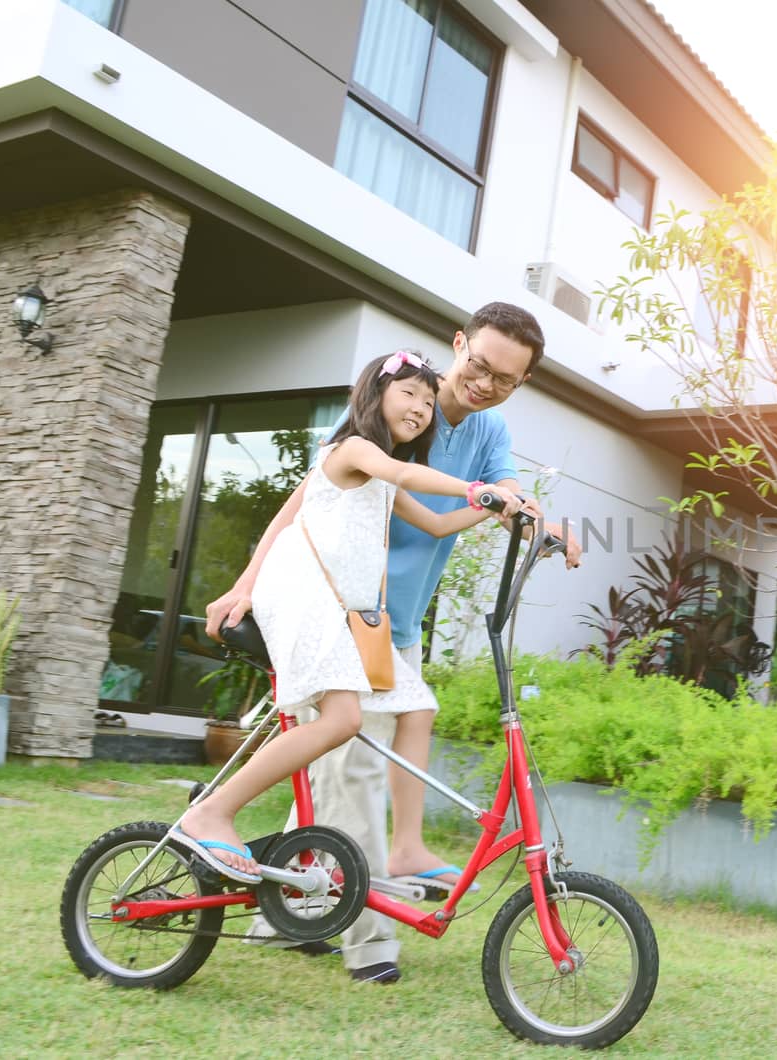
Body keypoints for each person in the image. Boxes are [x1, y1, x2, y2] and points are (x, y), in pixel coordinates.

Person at [207, 302, 578, 984]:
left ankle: (282, 915)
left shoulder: (489, 429)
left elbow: (496, 500)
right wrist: (245, 584)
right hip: (342, 617)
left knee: (336, 771)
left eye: (506, 378)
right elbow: (308, 499)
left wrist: (542, 526)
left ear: (519, 384)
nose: (485, 384)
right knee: (357, 772)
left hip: (389, 626)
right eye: (479, 365)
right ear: (457, 346)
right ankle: (372, 940)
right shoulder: (399, 413)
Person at [179, 350, 515, 882]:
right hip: (301, 597)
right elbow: (402, 468)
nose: (421, 407)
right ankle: (212, 810)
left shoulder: (386, 483)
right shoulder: (353, 449)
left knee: (418, 707)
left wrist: (502, 511)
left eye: (429, 402)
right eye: (409, 393)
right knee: (343, 719)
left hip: (342, 614)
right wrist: (477, 487)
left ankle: (406, 848)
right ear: (374, 395)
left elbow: (437, 525)